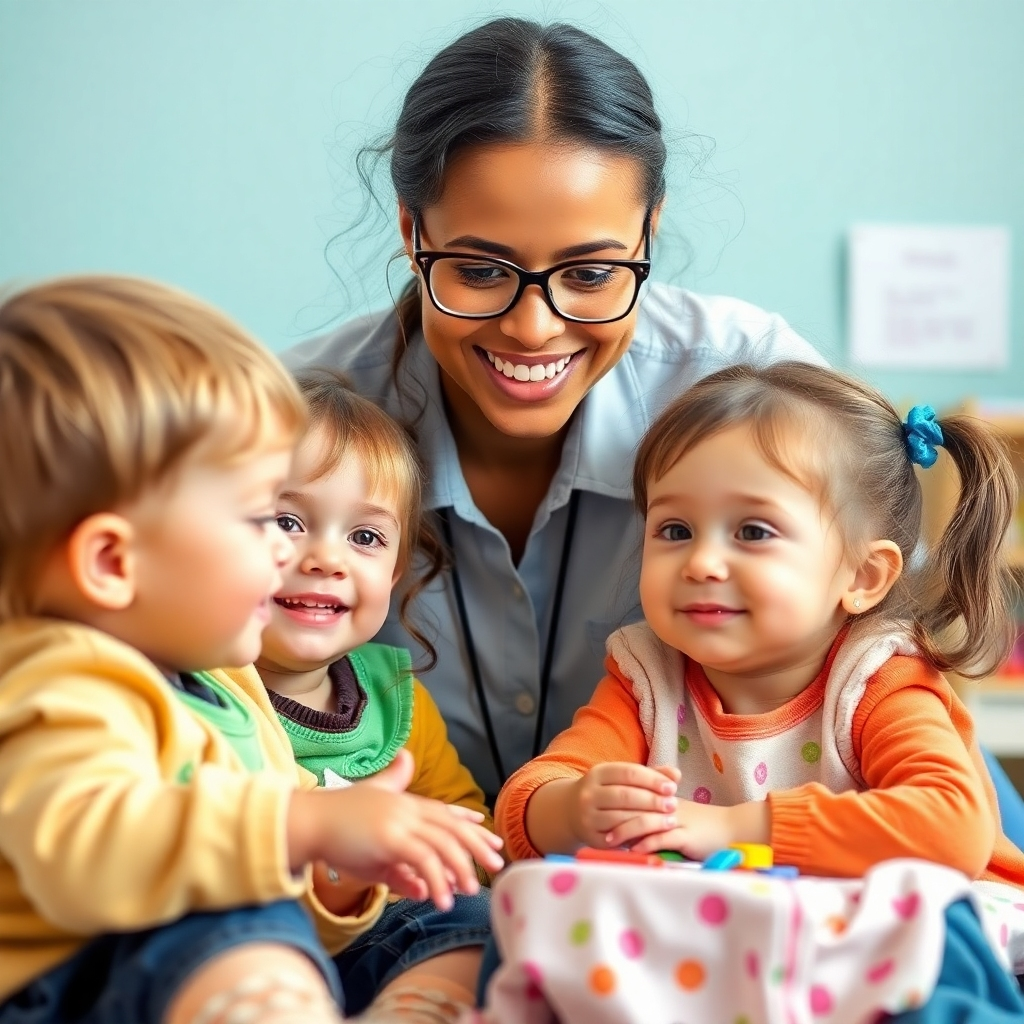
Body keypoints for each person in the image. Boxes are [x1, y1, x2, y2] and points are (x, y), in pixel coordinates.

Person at [284, 17, 827, 804]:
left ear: (652, 229)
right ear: (411, 231)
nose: (533, 328)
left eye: (592, 274)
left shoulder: (758, 390)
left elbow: (877, 656)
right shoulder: (288, 418)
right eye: (477, 269)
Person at [0, 276, 504, 1024]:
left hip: (193, 966)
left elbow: (275, 892)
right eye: (262, 518)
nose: (288, 552)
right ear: (113, 563)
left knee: (481, 919)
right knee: (228, 920)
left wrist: (336, 878)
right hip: (64, 983)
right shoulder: (68, 682)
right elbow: (79, 849)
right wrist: (301, 824)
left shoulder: (219, 686)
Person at [491, 360, 1024, 1017]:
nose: (703, 562)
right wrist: (572, 808)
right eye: (674, 531)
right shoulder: (645, 674)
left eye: (753, 532)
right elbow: (526, 803)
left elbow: (953, 829)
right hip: (749, 928)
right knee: (526, 916)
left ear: (862, 574)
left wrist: (731, 827)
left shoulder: (879, 677)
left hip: (911, 934)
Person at [240, 369, 494, 1024]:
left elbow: (464, 819)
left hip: (391, 931)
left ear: (398, 568)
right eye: (289, 521)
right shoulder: (204, 687)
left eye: (365, 537)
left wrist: (439, 852)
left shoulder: (395, 694)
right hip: (254, 941)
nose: (328, 558)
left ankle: (414, 1008)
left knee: (482, 923)